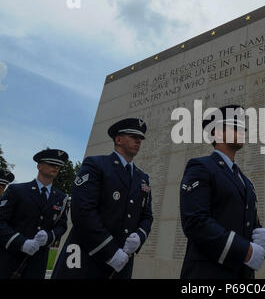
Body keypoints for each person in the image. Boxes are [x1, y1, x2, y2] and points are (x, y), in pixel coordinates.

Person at [52, 118, 153, 279]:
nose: (138, 141)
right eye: (133, 136)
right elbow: (82, 211)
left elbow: (147, 216)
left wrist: (139, 236)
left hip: (122, 263)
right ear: (118, 139)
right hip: (87, 259)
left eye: (140, 138)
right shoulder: (96, 165)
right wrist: (110, 252)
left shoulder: (143, 178)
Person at [179, 104, 265, 279]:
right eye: (235, 127)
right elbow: (195, 221)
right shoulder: (201, 167)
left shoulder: (245, 181)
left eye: (243, 127)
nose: (242, 131)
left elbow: (246, 222)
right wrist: (246, 251)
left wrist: (259, 238)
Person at [0, 149, 69, 279]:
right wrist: (21, 242)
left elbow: (62, 225)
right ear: (39, 166)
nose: (55, 167)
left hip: (38, 261)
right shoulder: (17, 190)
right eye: (51, 164)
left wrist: (49, 236)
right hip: (10, 257)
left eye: (58, 166)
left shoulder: (61, 197)